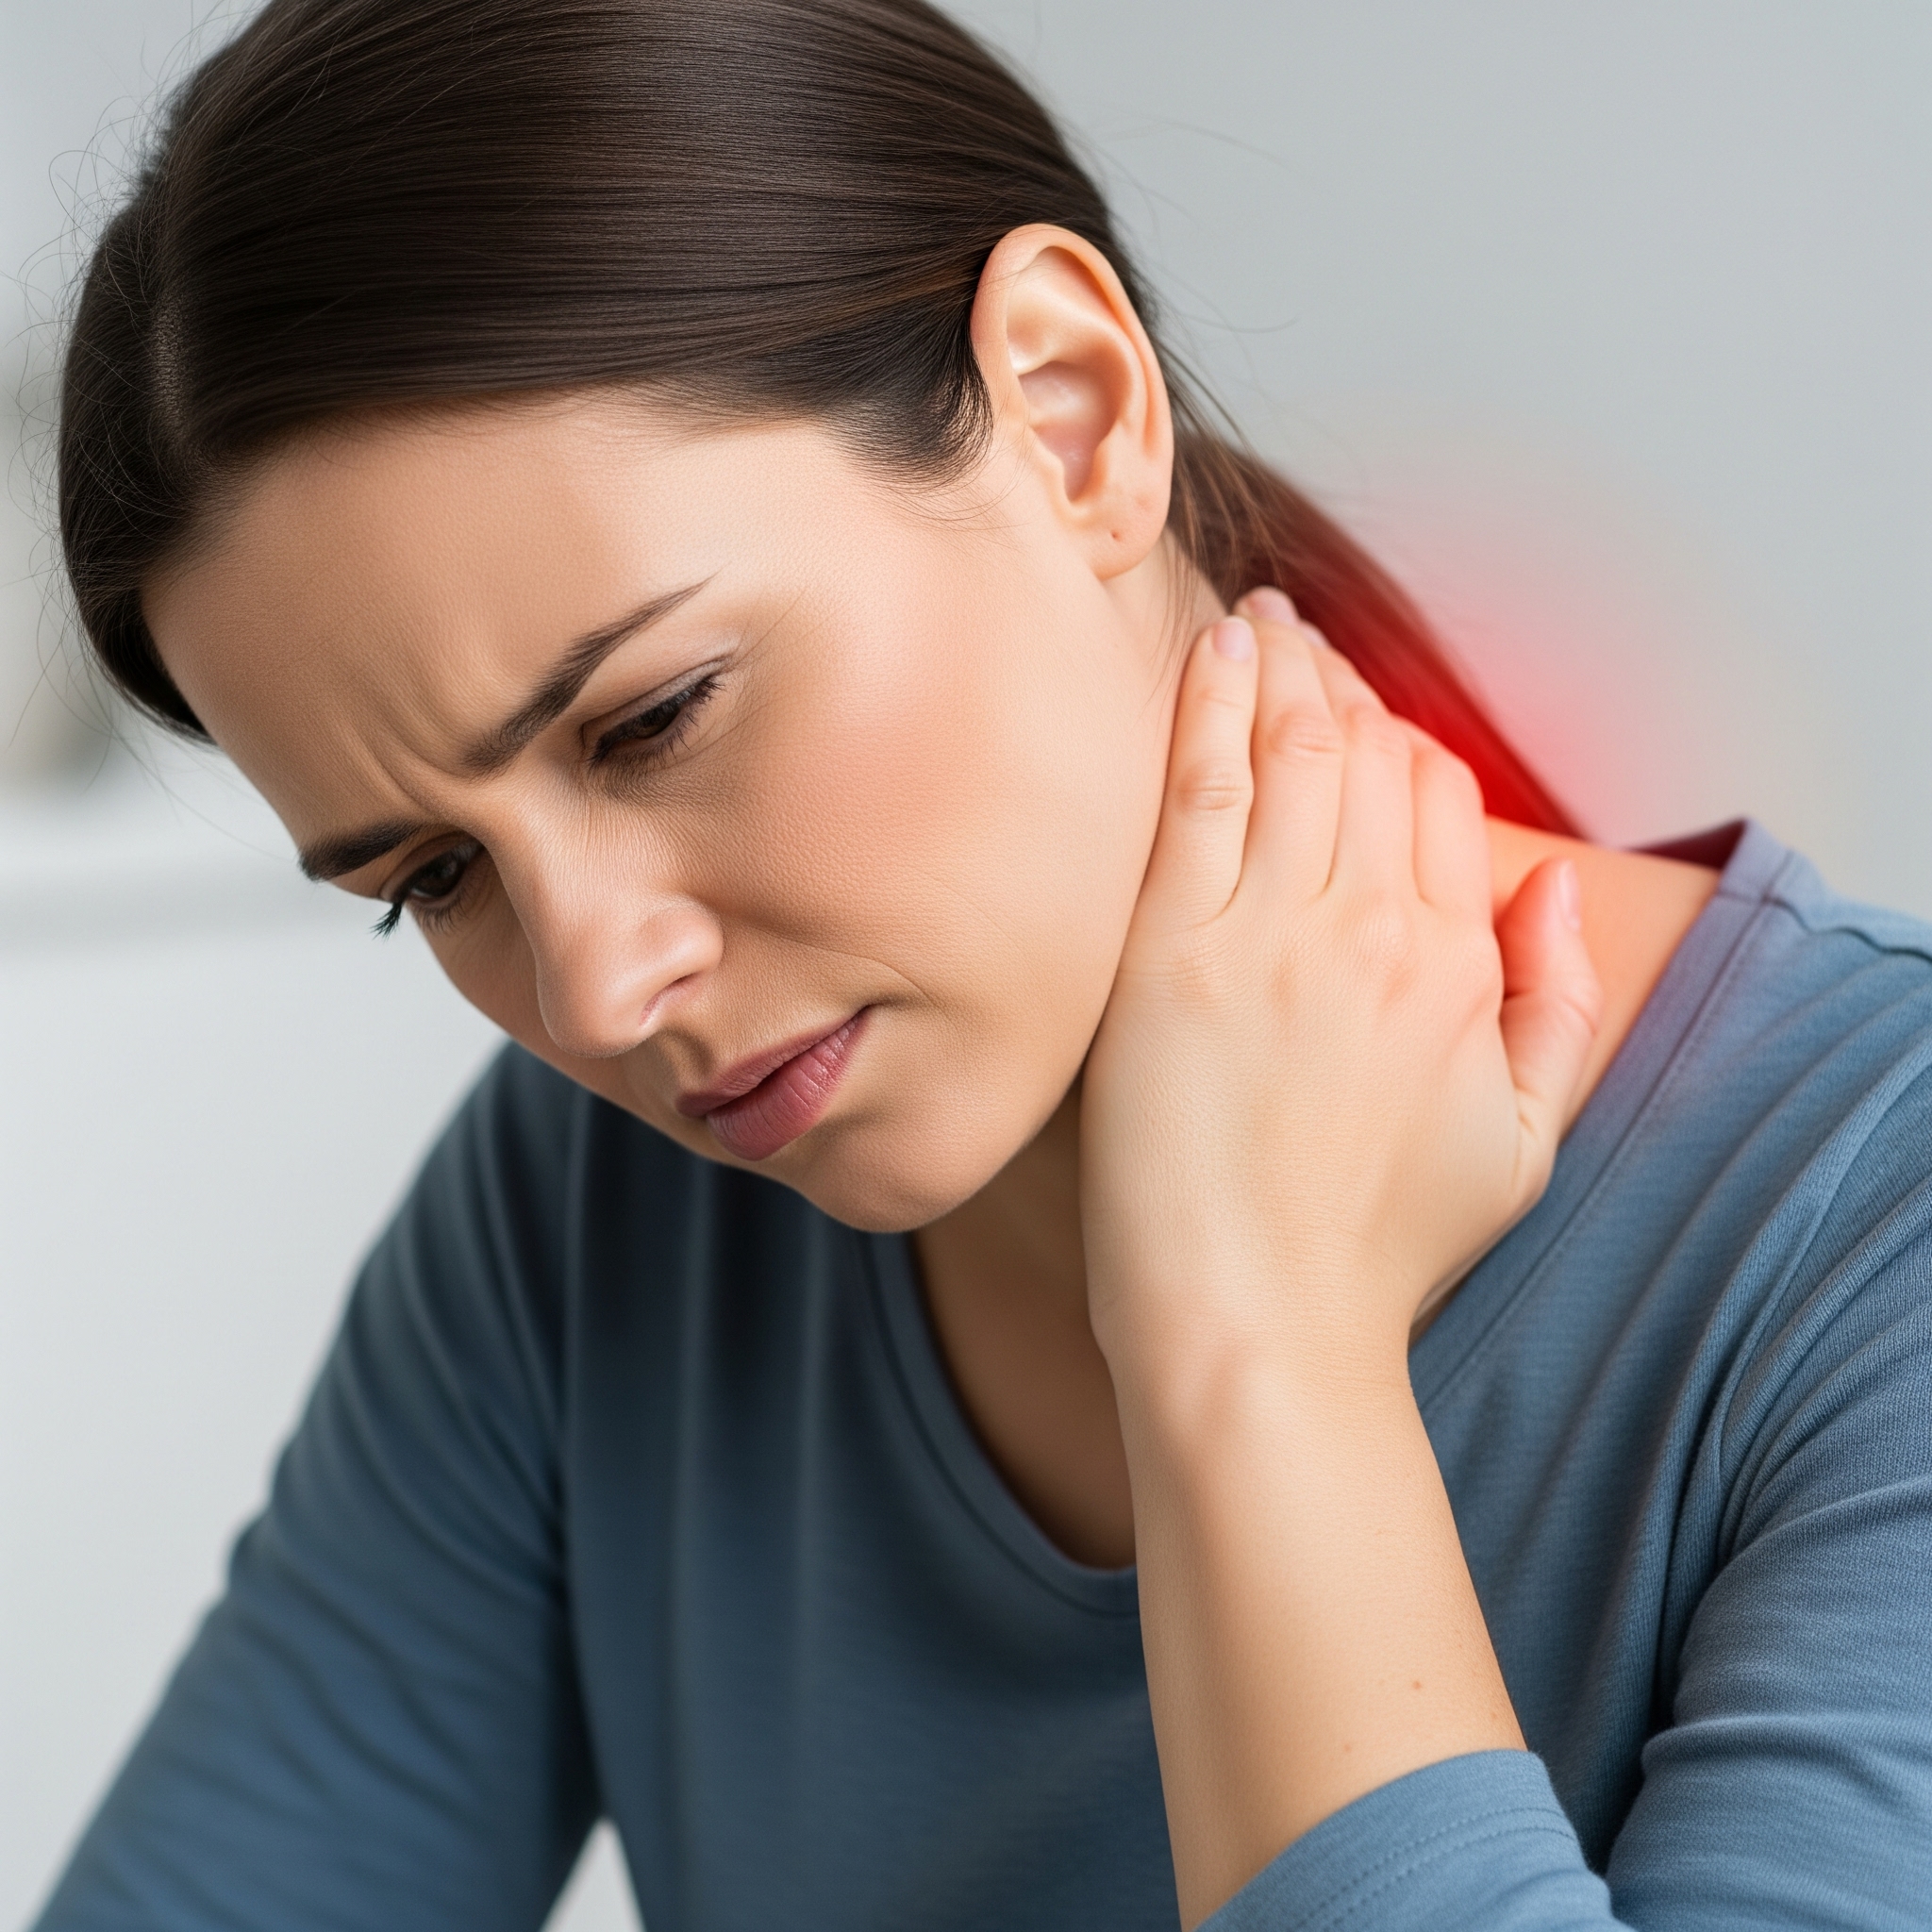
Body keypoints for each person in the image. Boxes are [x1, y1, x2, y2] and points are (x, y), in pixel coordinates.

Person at [36, 0, 1932, 1926]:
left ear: (1068, 408)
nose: (594, 992)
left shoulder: (1879, 1232)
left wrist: (1246, 1346)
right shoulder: (588, 1226)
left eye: (655, 715)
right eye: (436, 873)